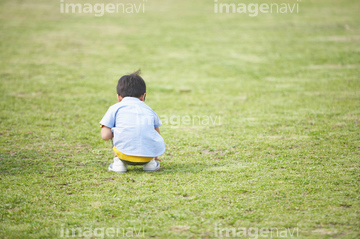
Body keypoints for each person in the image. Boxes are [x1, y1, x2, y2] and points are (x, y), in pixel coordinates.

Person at [99, 70, 165, 173]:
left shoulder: (114, 108)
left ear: (118, 97)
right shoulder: (149, 110)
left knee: (115, 130)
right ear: (143, 96)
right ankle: (150, 164)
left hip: (124, 156)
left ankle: (119, 164)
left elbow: (105, 136)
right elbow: (156, 134)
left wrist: (117, 131)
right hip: (147, 156)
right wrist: (154, 152)